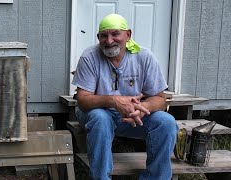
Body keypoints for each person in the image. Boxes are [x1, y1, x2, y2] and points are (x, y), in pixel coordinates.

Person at [72, 14, 178, 180]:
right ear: (98, 37)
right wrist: (113, 101)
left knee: (166, 122)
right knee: (100, 118)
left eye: (115, 34)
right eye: (104, 35)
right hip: (98, 112)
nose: (109, 41)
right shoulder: (90, 56)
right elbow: (83, 100)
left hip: (132, 116)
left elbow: (160, 98)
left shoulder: (145, 57)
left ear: (128, 35)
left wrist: (144, 108)